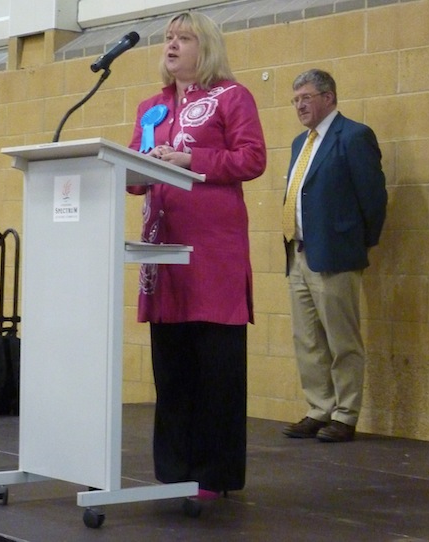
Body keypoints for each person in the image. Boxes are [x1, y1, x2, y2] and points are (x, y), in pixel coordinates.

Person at [127, 12, 266, 499]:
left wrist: (194, 161)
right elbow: (135, 170)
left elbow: (252, 158)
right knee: (172, 368)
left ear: (204, 48)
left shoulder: (232, 97)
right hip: (161, 253)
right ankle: (173, 471)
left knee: (215, 368)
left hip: (212, 252)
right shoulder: (152, 107)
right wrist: (123, 173)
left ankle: (214, 475)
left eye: (183, 38)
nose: (171, 45)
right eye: (168, 37)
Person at [281, 69, 387, 443]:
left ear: (328, 97)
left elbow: (373, 199)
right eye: (295, 100)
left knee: (342, 339)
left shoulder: (354, 136)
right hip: (299, 253)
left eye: (306, 98)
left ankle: (345, 413)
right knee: (307, 338)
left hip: (337, 254)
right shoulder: (300, 143)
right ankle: (319, 407)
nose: (299, 105)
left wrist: (358, 244)